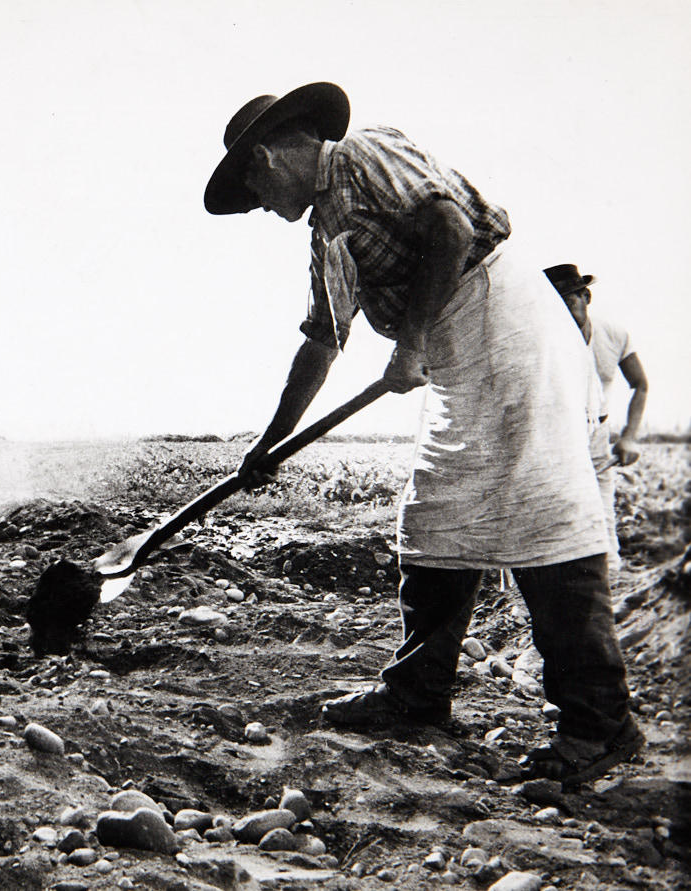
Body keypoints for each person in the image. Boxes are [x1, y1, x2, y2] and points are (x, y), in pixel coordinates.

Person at [203, 82, 641, 785]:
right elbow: (322, 341)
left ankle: (600, 722)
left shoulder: (362, 154)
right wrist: (267, 446)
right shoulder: (325, 230)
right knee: (435, 514)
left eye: (254, 193)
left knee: (540, 511)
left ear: (265, 158)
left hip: (500, 317)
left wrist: (408, 343)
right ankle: (416, 692)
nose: (262, 210)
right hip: (452, 345)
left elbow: (450, 228)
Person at [544, 263, 649, 575]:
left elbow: (640, 384)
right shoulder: (543, 340)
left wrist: (630, 436)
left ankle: (610, 583)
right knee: (558, 517)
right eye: (554, 305)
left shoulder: (613, 333)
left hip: (598, 432)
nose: (563, 311)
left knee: (602, 514)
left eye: (570, 301)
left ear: (586, 296)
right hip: (558, 435)